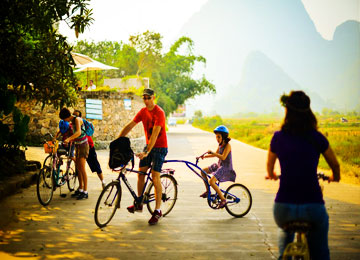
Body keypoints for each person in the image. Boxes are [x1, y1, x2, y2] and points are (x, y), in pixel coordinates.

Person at [266, 91, 340, 260]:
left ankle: (283, 256)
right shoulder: (317, 138)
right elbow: (335, 164)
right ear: (309, 112)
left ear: (287, 112)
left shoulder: (278, 137)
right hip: (312, 208)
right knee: (320, 253)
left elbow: (269, 165)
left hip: (283, 209)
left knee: (285, 231)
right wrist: (335, 176)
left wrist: (271, 174)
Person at [118, 88, 168, 225]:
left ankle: (157, 211)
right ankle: (139, 202)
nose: (146, 100)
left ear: (153, 98)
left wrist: (147, 151)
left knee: (155, 175)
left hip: (160, 147)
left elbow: (155, 135)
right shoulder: (142, 112)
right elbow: (130, 126)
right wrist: (118, 139)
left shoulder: (159, 113)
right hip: (148, 147)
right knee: (140, 174)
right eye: (144, 98)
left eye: (148, 98)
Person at [199, 125, 236, 209]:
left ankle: (223, 199)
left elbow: (222, 157)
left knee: (211, 182)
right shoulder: (220, 145)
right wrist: (204, 156)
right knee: (203, 171)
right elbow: (215, 154)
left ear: (223, 137)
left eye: (219, 137)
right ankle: (208, 191)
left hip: (225, 168)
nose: (217, 139)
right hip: (219, 165)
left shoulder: (227, 145)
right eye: (216, 137)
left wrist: (213, 153)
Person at [59, 107, 89, 200]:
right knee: (78, 168)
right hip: (78, 145)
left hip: (83, 146)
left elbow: (78, 132)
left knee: (82, 168)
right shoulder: (72, 121)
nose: (65, 121)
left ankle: (85, 191)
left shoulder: (77, 119)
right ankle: (80, 189)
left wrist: (69, 139)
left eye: (64, 120)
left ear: (67, 117)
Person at [73, 109, 106, 189]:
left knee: (95, 165)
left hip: (89, 146)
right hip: (80, 146)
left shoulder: (81, 123)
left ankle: (103, 181)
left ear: (80, 117)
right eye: (74, 115)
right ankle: (81, 186)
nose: (75, 117)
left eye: (77, 115)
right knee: (79, 168)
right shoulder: (73, 124)